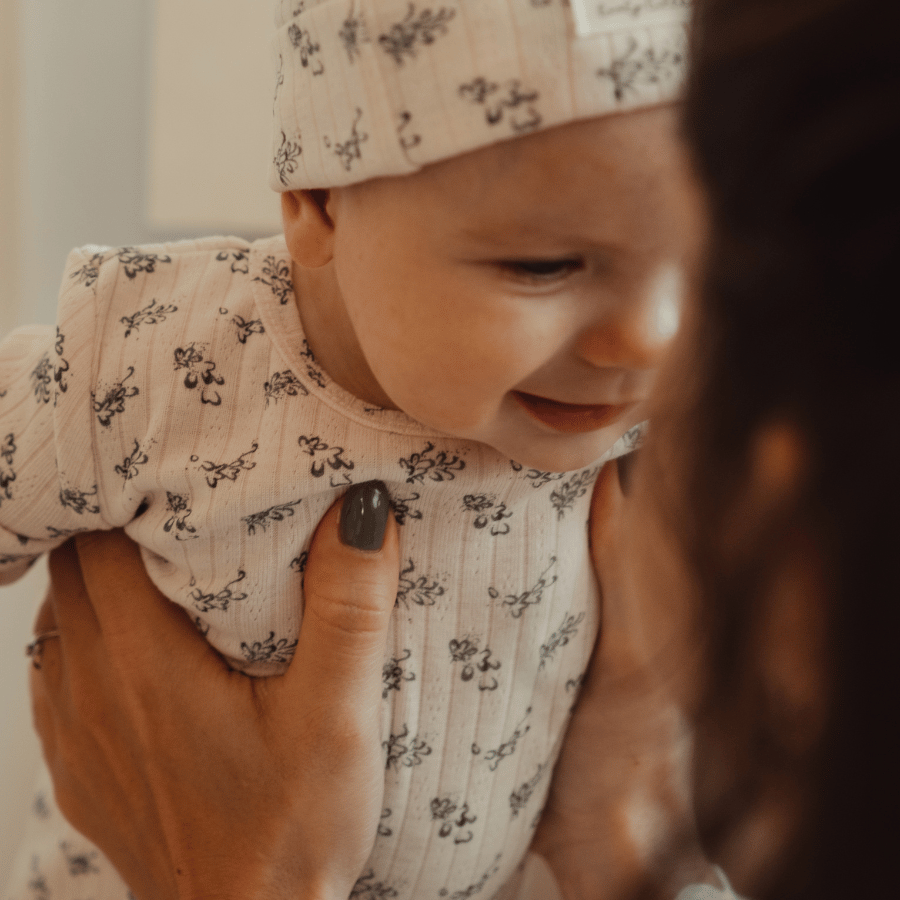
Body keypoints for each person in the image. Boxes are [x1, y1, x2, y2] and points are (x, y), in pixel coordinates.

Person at [17, 0, 900, 896]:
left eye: (698, 266)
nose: (649, 338)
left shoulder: (686, 423)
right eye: (544, 265)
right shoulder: (165, 356)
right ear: (319, 202)